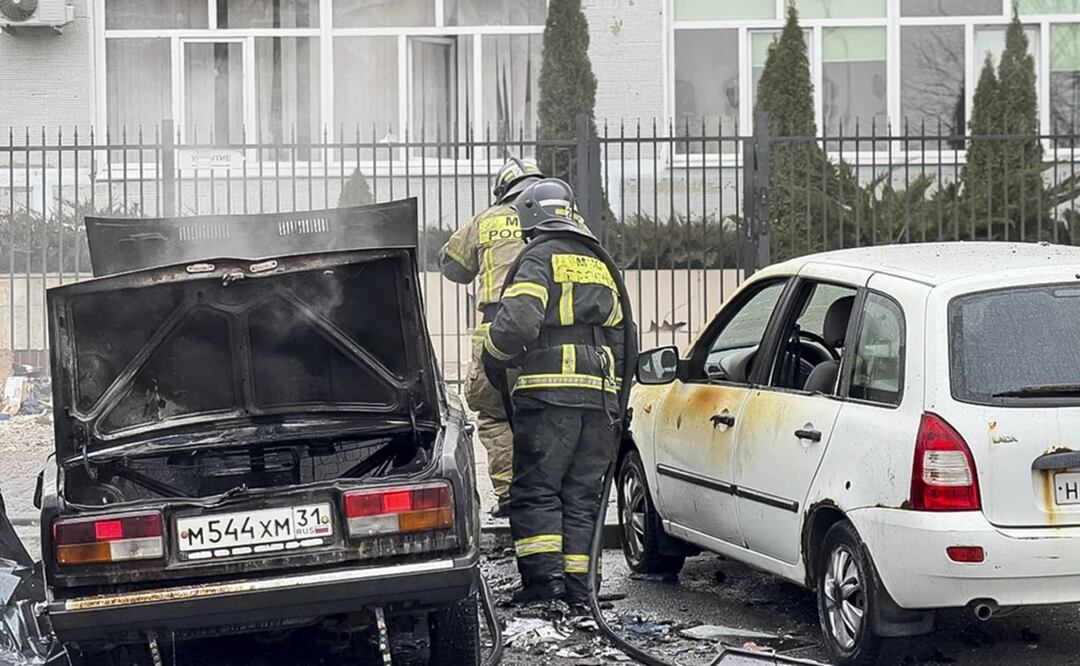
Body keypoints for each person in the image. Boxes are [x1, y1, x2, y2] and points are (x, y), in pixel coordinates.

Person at [481, 177, 626, 605]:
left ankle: (546, 589)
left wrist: (493, 355)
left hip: (549, 398)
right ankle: (582, 592)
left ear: (531, 220)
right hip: (601, 401)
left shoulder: (538, 257)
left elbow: (517, 324)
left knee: (538, 490)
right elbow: (623, 337)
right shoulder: (599, 263)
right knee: (583, 495)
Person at [438, 157, 545, 517]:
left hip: (494, 337)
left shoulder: (486, 219)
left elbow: (451, 264)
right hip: (550, 335)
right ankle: (548, 490)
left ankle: (511, 495)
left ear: (503, 190)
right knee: (548, 411)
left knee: (495, 414)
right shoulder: (562, 217)